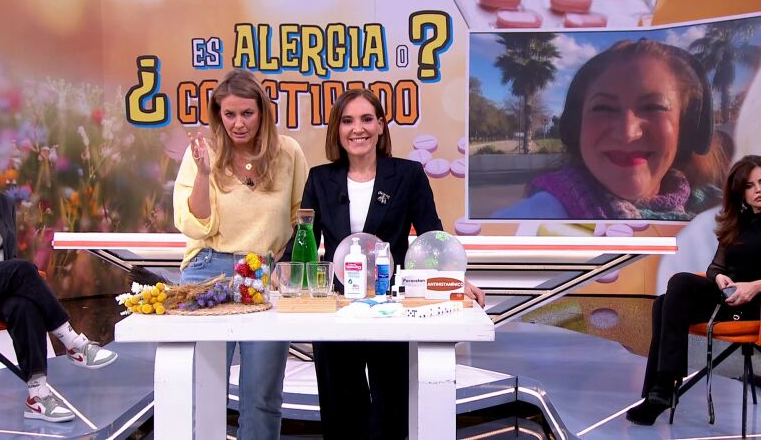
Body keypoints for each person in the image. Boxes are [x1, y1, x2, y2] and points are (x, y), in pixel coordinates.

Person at [300, 88, 485, 439]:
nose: (358, 129)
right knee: (341, 413)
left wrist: (455, 280)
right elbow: (303, 240)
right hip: (337, 310)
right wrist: (277, 279)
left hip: (392, 307)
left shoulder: (408, 174)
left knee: (391, 410)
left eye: (367, 119)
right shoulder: (320, 178)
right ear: (337, 129)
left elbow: (431, 236)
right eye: (348, 121)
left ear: (381, 125)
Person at [172, 69, 308, 439]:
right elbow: (194, 224)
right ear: (218, 115)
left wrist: (284, 266)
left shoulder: (288, 153)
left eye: (247, 113)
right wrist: (204, 173)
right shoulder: (203, 153)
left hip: (264, 273)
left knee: (262, 395)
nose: (238, 123)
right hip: (208, 271)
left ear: (262, 112)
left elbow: (302, 219)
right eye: (229, 114)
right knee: (203, 390)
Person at [0, 138, 118, 423]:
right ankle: (72, 341)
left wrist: (7, 273)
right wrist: (2, 270)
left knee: (24, 306)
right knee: (22, 270)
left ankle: (37, 395)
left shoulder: (3, 203)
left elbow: (8, 252)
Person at [494, 38, 725, 220]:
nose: (627, 133)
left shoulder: (723, 213)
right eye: (603, 108)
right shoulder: (534, 219)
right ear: (577, 127)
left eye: (654, 107)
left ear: (686, 128)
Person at [626, 154, 761, 425]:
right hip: (727, 299)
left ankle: (662, 390)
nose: (758, 189)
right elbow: (714, 268)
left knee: (674, 290)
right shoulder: (737, 223)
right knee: (666, 299)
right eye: (749, 185)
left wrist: (755, 286)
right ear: (740, 192)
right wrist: (719, 277)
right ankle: (661, 389)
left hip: (754, 304)